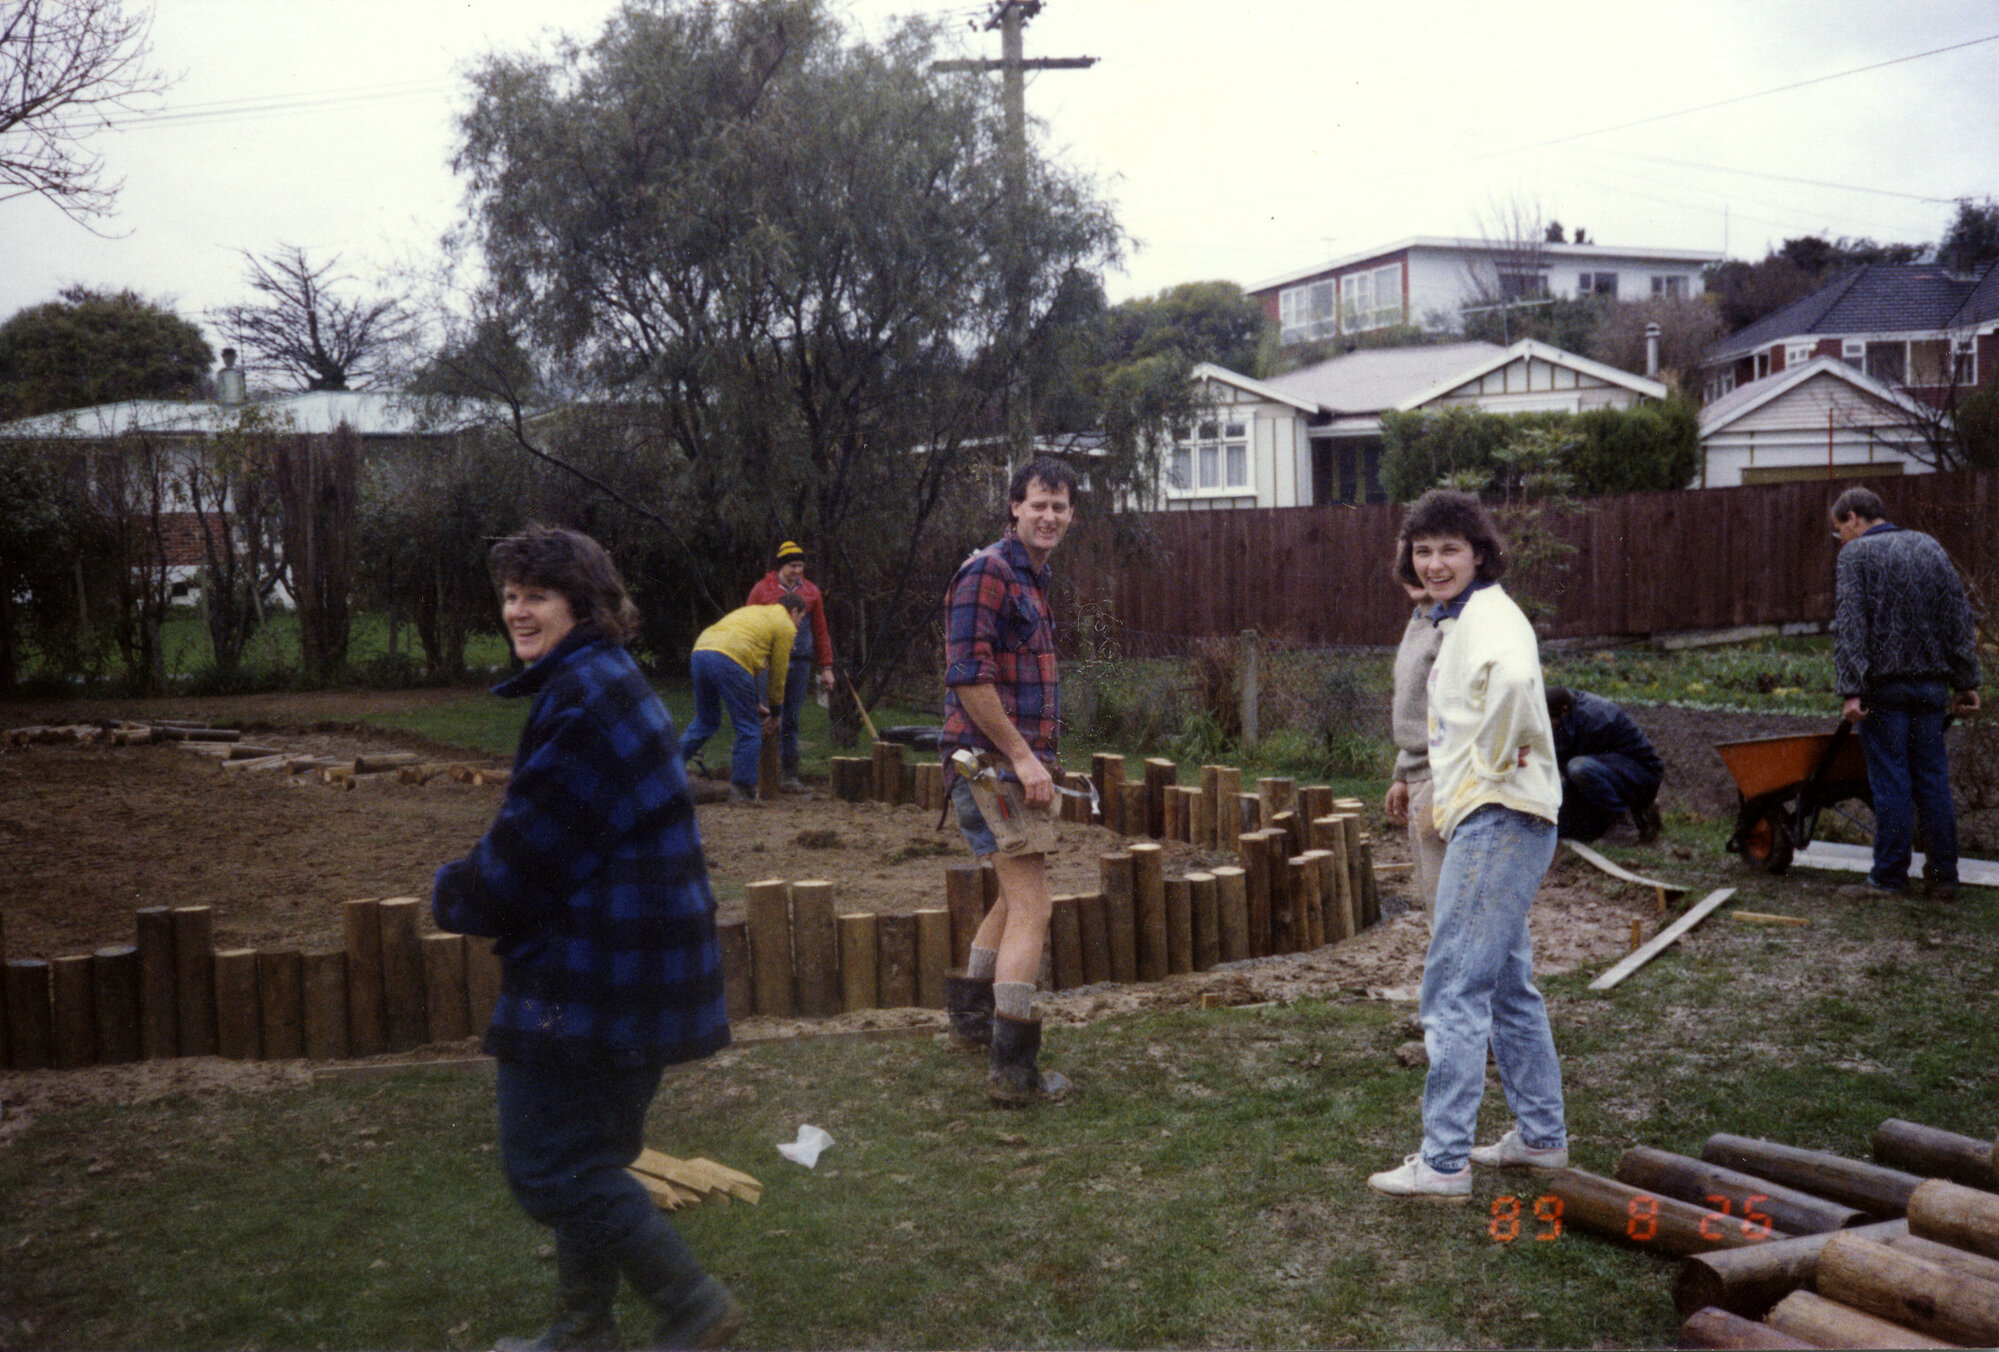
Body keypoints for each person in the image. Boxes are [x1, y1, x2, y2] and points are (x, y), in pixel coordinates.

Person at [431, 524, 738, 1351]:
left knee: (549, 1166)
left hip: (596, 978)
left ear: (583, 606)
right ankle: (583, 1330)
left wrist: (451, 893)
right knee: (592, 1156)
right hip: (631, 970)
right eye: (510, 596)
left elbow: (524, 861)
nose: (516, 612)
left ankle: (691, 1302)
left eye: (536, 596)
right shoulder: (602, 679)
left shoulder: (585, 700)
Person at [1368, 489, 1568, 1203]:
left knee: (1452, 985)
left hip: (1498, 816)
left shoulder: (1488, 618)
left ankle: (1444, 1161)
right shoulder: (1459, 617)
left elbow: (1513, 686)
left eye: (1449, 549)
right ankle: (1541, 1137)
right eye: (1423, 551)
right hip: (1500, 815)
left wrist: (1487, 769)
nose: (1435, 563)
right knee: (1507, 984)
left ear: (1478, 553)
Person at [939, 454, 1079, 1106]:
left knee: (1009, 894)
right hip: (990, 768)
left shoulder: (1031, 579)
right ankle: (1013, 1071)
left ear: (1070, 514)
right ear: (1014, 508)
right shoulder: (987, 572)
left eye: (1059, 507)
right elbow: (969, 679)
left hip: (1009, 764)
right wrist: (1022, 759)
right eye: (1038, 505)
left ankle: (972, 1023)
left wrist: (1037, 759)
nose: (1048, 516)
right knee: (1033, 905)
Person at [1830, 485, 1982, 898]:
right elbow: (1958, 616)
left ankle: (1888, 878)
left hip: (1885, 690)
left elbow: (1851, 625)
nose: (1840, 538)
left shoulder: (1855, 555)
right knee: (1932, 779)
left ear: (1853, 517)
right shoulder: (1928, 546)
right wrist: (1966, 681)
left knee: (1891, 781)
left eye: (1839, 529)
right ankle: (1944, 878)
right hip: (1931, 688)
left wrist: (1851, 689)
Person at [679, 593, 808, 802]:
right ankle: (742, 789)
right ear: (794, 611)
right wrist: (776, 713)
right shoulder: (785, 625)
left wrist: (755, 702)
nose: (799, 625)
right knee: (749, 728)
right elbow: (778, 673)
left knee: (706, 720)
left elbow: (750, 662)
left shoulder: (757, 613)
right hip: (730, 658)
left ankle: (665, 769)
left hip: (701, 651)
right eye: (801, 618)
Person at [745, 541, 837, 794]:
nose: (797, 571)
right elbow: (748, 624)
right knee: (768, 717)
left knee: (792, 719)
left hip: (800, 661)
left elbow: (820, 630)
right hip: (768, 662)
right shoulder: (762, 589)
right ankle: (762, 775)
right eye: (792, 566)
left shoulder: (811, 591)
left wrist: (826, 666)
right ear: (781, 566)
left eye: (800, 566)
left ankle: (789, 775)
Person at [1383, 577, 1448, 920]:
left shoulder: (1451, 626)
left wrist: (1443, 784)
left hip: (1444, 777)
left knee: (1449, 902)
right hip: (1420, 775)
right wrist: (1402, 774)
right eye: (1408, 560)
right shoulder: (1419, 621)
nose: (1416, 572)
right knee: (1432, 894)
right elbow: (1415, 711)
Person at [1545, 687, 1664, 844]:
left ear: (1564, 711)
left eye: (1548, 719)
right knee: (1558, 825)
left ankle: (1625, 824)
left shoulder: (1594, 719)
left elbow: (1583, 774)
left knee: (1578, 767)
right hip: (1607, 770)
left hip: (1641, 775)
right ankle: (1638, 816)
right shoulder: (1563, 711)